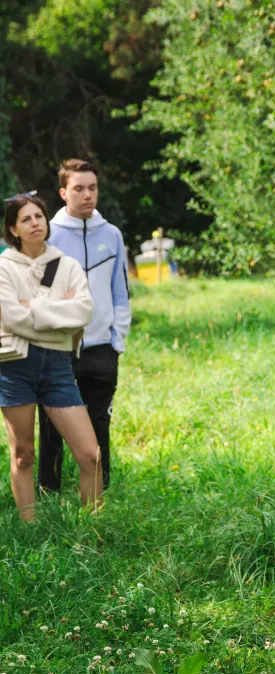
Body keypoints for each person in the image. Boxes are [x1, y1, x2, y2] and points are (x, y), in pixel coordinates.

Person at [0, 192, 101, 521]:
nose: (34, 224)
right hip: (15, 368)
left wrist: (35, 309)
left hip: (58, 368)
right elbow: (11, 318)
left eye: (39, 217)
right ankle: (29, 529)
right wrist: (60, 316)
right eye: (25, 219)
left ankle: (93, 527)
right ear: (13, 229)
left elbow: (84, 311)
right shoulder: (4, 267)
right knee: (23, 455)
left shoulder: (67, 265)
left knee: (90, 455)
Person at [38, 159, 131, 492]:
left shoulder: (112, 235)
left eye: (92, 188)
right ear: (64, 192)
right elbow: (40, 295)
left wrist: (116, 341)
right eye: (79, 188)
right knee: (51, 427)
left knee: (99, 424)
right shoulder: (48, 235)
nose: (87, 195)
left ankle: (99, 494)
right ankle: (48, 492)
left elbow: (121, 293)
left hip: (102, 348)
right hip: (57, 349)